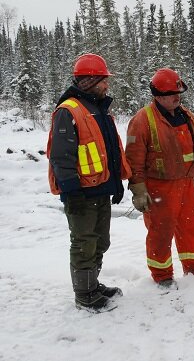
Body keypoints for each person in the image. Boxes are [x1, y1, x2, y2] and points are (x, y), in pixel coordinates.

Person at [47, 53, 131, 312]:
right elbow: (61, 156)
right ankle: (84, 294)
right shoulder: (69, 111)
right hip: (81, 194)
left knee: (100, 241)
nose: (107, 85)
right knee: (84, 243)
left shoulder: (99, 109)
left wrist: (116, 184)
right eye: (103, 80)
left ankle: (92, 285)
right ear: (89, 81)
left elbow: (109, 151)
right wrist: (72, 193)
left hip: (101, 189)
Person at [125, 68, 194, 289]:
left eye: (179, 93)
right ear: (157, 95)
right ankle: (162, 274)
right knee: (161, 231)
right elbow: (134, 158)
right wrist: (138, 190)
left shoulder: (189, 117)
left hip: (185, 183)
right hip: (158, 186)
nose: (177, 97)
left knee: (191, 228)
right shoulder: (142, 120)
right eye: (171, 94)